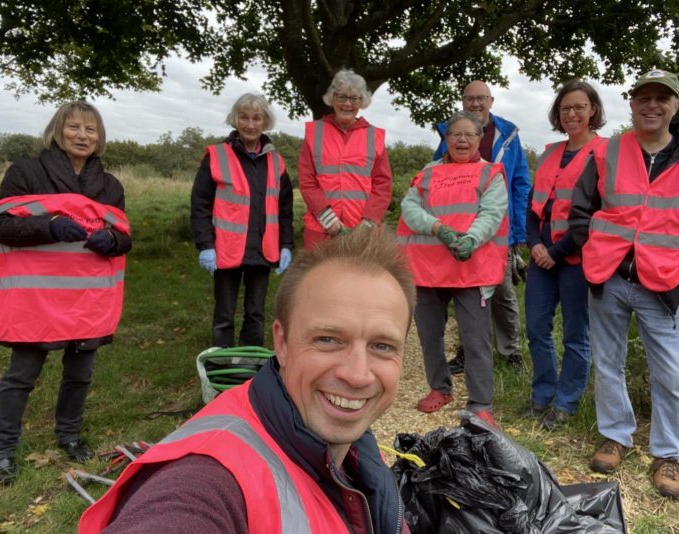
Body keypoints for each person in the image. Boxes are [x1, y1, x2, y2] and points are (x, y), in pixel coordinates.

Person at [79, 227, 415, 533]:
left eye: (382, 346)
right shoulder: (205, 482)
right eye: (328, 340)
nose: (357, 375)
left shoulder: (353, 448)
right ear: (281, 343)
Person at [568, 69, 679, 499]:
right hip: (608, 278)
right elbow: (581, 208)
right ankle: (616, 437)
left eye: (662, 98)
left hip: (664, 283)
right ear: (633, 103)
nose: (652, 105)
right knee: (606, 364)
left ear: (676, 104)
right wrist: (594, 253)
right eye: (644, 97)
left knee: (673, 374)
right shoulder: (608, 152)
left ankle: (670, 454)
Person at [0, 102, 132, 485]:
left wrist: (110, 239)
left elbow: (125, 238)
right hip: (38, 301)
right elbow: (1, 227)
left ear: (100, 138)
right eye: (74, 127)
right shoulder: (26, 172)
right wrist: (49, 227)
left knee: (80, 373)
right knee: (22, 375)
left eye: (91, 129)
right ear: (57, 130)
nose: (82, 135)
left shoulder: (110, 185)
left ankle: (68, 435)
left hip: (87, 298)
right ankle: (2, 450)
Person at [398, 111, 508, 429]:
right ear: (446, 139)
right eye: (454, 134)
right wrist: (438, 229)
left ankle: (481, 404)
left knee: (476, 339)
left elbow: (492, 212)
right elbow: (409, 207)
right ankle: (440, 388)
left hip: (471, 268)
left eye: (469, 135)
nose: (461, 140)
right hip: (428, 268)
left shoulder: (490, 174)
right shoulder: (429, 172)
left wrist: (471, 239)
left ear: (478, 139)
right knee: (430, 335)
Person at [433, 80, 531, 373]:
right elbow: (437, 176)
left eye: (480, 99)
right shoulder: (451, 131)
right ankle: (467, 351)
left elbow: (520, 183)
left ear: (491, 100)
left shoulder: (509, 135)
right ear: (463, 101)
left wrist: (519, 231)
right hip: (461, 226)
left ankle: (510, 352)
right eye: (469, 99)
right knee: (465, 291)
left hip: (499, 227)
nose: (475, 104)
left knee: (501, 291)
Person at [525, 80, 606, 430]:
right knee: (536, 328)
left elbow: (600, 213)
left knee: (576, 334)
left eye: (579, 107)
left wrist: (557, 251)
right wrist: (534, 245)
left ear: (592, 111)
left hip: (576, 258)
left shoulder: (604, 153)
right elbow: (533, 207)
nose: (571, 114)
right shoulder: (550, 154)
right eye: (565, 108)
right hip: (542, 256)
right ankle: (542, 395)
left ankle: (566, 403)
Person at [190, 93, 294, 348]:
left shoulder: (276, 162)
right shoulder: (216, 156)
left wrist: (286, 246)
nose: (250, 124)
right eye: (244, 118)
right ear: (235, 120)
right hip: (226, 251)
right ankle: (221, 369)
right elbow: (200, 205)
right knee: (223, 316)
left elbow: (285, 210)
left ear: (265, 121)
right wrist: (206, 245)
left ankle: (249, 371)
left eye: (256, 118)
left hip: (263, 251)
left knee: (256, 315)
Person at [298, 69, 392, 249]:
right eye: (341, 97)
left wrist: (368, 224)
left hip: (363, 231)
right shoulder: (314, 132)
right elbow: (307, 181)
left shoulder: (374, 136)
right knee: (320, 277)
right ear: (331, 98)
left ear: (362, 101)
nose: (347, 103)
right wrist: (327, 219)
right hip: (321, 228)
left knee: (360, 277)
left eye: (354, 98)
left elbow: (382, 185)